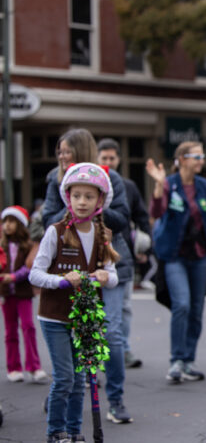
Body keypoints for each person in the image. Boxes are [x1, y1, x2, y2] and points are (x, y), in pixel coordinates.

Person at [41, 128, 133, 424]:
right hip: (69, 267)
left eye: (68, 151)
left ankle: (116, 399)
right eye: (60, 151)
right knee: (68, 333)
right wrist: (73, 215)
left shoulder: (110, 180)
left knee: (111, 333)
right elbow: (47, 219)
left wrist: (95, 212)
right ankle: (63, 389)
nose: (62, 156)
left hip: (106, 260)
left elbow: (122, 218)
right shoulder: (56, 181)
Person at [29, 163, 120, 443]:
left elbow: (113, 276)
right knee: (65, 377)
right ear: (68, 197)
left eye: (89, 196)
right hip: (54, 317)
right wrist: (61, 280)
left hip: (85, 319)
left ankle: (74, 431)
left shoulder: (103, 235)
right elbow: (35, 273)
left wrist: (106, 276)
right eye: (77, 195)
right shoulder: (55, 232)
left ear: (100, 201)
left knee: (81, 380)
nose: (82, 202)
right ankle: (55, 432)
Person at [147, 141, 206, 384]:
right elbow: (156, 211)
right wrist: (158, 184)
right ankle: (176, 361)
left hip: (201, 257)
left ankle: (188, 360)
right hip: (174, 257)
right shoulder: (168, 184)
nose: (201, 160)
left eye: (202, 155)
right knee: (181, 305)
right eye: (197, 156)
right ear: (182, 159)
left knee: (195, 310)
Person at [97, 138, 151, 369]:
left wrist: (145, 245)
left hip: (122, 254)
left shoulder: (126, 185)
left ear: (118, 159)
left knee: (123, 308)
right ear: (97, 158)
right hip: (94, 258)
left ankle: (124, 349)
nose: (109, 161)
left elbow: (139, 215)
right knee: (99, 312)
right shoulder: (91, 182)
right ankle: (99, 354)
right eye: (104, 158)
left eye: (112, 158)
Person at [1, 206, 47, 383]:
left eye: (11, 221)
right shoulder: (1, 245)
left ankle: (34, 366)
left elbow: (29, 268)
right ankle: (13, 367)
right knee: (10, 332)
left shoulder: (28, 246)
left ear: (20, 224)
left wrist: (12, 277)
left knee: (28, 327)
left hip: (23, 292)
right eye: (5, 221)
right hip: (7, 294)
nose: (7, 225)